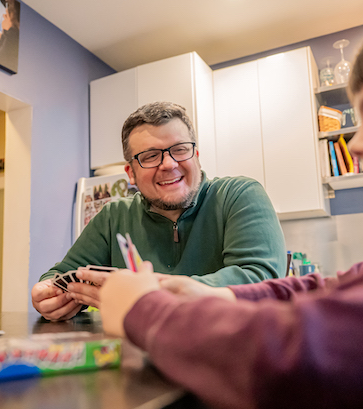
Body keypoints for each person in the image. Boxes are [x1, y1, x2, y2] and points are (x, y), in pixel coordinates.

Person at [98, 0, 363, 409]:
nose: (357, 144)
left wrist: (144, 310)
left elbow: (296, 367)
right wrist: (221, 296)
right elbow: (333, 285)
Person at [32, 101, 287, 321]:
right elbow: (61, 275)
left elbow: (259, 280)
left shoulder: (240, 195)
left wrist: (150, 294)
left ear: (196, 155)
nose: (169, 164)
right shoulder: (113, 217)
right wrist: (49, 295)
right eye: (151, 156)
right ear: (131, 173)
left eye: (179, 150)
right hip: (138, 360)